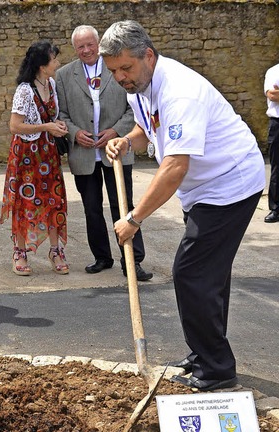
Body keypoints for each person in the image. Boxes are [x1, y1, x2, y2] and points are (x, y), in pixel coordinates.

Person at [101, 20, 265, 391]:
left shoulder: (181, 91)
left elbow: (175, 166)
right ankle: (204, 353)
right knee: (208, 276)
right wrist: (128, 140)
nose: (121, 77)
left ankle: (216, 368)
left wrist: (134, 218)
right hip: (204, 188)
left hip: (229, 186)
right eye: (113, 71)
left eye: (126, 68)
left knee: (192, 274)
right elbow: (150, 126)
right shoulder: (139, 87)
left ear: (148, 55)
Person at [55, 25, 153, 282]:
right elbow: (61, 114)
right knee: (91, 209)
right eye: (80, 47)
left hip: (116, 151)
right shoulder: (64, 75)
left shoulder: (117, 68)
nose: (86, 50)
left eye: (90, 44)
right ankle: (102, 257)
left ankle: (133, 261)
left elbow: (135, 108)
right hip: (84, 154)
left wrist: (116, 131)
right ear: (74, 49)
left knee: (125, 208)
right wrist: (75, 133)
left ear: (98, 43)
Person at [0, 40, 69, 276]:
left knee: (53, 199)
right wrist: (47, 126)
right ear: (42, 65)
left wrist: (55, 125)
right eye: (54, 60)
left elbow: (50, 116)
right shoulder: (24, 90)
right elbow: (15, 126)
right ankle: (19, 252)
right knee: (24, 201)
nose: (57, 63)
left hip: (47, 153)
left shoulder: (51, 84)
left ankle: (55, 249)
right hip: (27, 155)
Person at [263, 62, 279, 223]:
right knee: (277, 167)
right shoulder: (274, 71)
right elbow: (273, 95)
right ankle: (276, 209)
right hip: (278, 124)